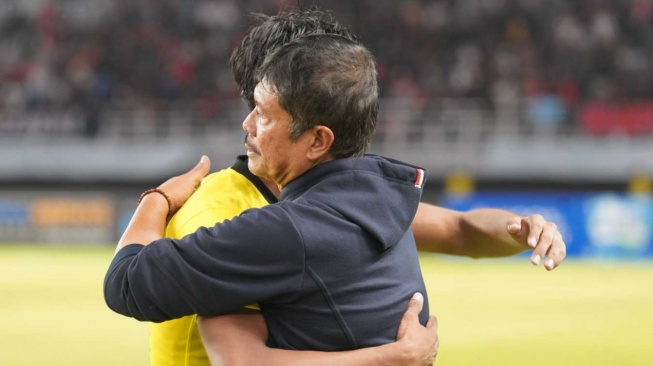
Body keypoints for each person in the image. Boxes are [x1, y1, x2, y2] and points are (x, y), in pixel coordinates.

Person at [146, 10, 566, 366]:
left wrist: (522, 228)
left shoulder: (332, 198)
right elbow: (242, 359)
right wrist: (393, 355)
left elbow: (458, 229)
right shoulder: (227, 214)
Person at [106, 33, 438, 358]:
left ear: (318, 141)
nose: (247, 124)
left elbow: (125, 284)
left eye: (263, 114)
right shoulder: (389, 193)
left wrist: (158, 198)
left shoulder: (285, 232)